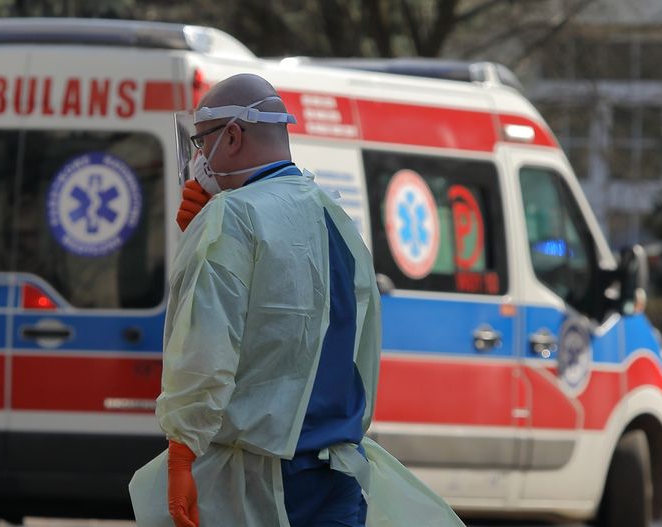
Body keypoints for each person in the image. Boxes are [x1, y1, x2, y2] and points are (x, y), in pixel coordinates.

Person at [129, 73, 464, 527]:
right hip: (340, 472)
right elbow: (328, 337)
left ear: (231, 136)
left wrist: (181, 457)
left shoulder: (232, 216)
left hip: (263, 484)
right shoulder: (333, 214)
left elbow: (206, 351)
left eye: (200, 141)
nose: (197, 158)